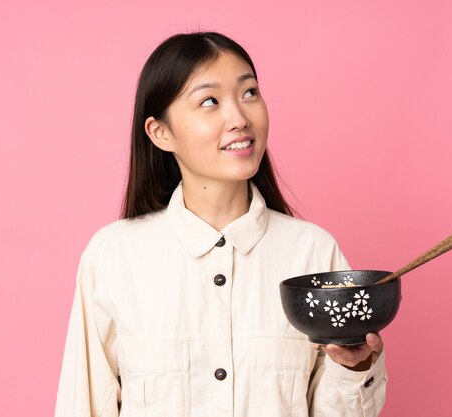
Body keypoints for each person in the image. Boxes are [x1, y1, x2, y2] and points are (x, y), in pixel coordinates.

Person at [54, 31, 387, 417]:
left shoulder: (312, 252)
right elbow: (83, 406)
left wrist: (354, 366)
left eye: (249, 93)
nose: (239, 118)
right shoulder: (114, 257)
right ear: (161, 133)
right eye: (210, 101)